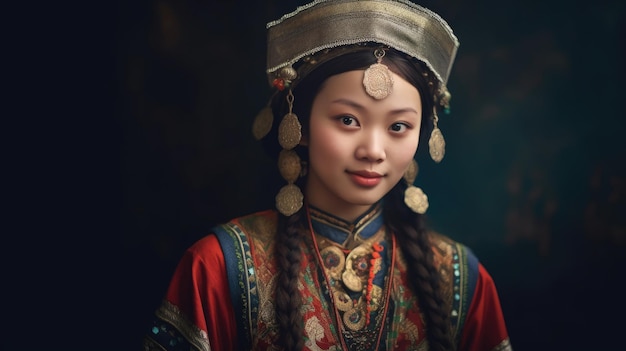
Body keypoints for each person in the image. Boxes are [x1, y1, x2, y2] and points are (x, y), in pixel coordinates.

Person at [143, 1, 512, 350]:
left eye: (399, 126)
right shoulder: (219, 266)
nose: (373, 149)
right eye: (347, 120)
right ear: (299, 124)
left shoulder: (460, 277)